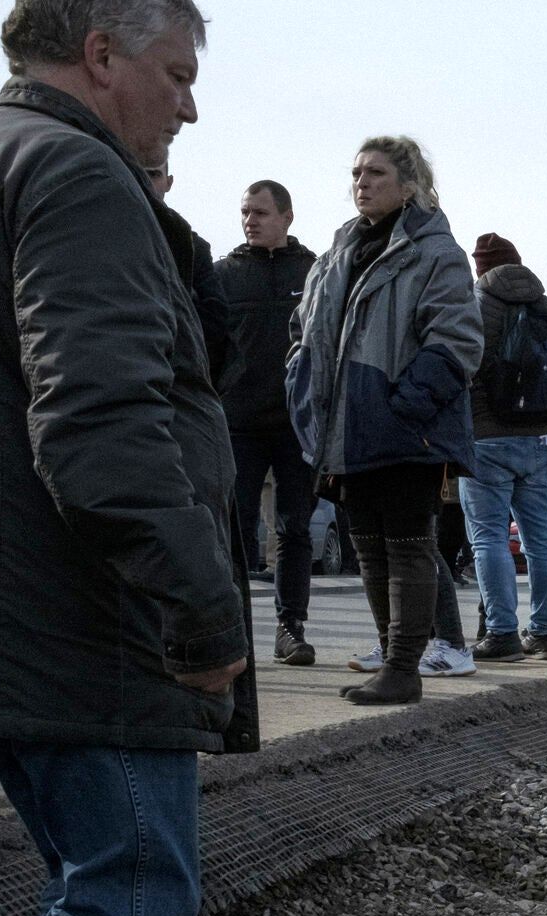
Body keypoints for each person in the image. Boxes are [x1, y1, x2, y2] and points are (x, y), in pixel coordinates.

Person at [0, 0, 255, 916]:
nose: (189, 104)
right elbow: (97, 425)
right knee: (137, 896)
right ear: (103, 56)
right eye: (178, 73)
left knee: (98, 886)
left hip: (32, 600)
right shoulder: (76, 171)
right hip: (92, 613)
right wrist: (203, 609)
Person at [288, 136, 481, 705]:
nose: (361, 182)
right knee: (369, 546)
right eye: (355, 172)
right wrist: (301, 380)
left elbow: (458, 339)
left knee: (407, 545)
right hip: (347, 427)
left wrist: (404, 407)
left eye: (374, 172)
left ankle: (404, 668)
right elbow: (305, 330)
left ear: (409, 184)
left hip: (400, 426)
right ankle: (390, 663)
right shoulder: (340, 249)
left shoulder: (434, 250)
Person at [463, 233, 547, 663]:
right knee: (544, 539)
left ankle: (501, 633)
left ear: (480, 268)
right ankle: (543, 633)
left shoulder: (472, 305)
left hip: (486, 438)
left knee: (488, 538)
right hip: (543, 439)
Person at [216, 178, 320, 665]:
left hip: (298, 425)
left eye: (259, 212)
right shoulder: (224, 275)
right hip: (237, 423)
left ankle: (290, 628)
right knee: (233, 531)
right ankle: (232, 632)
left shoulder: (316, 272)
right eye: (245, 212)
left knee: (294, 529)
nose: (249, 220)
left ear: (287, 216)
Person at [143, 155, 233, 389]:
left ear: (168, 182)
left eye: (153, 174)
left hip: (178, 381)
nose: (145, 181)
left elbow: (214, 318)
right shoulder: (101, 236)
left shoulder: (191, 246)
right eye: (139, 171)